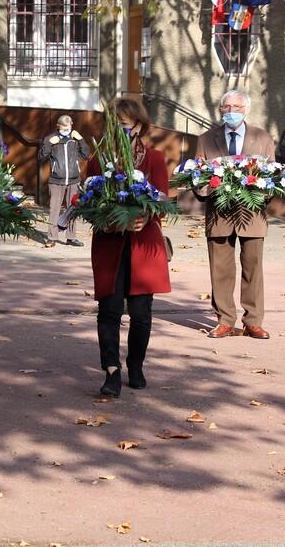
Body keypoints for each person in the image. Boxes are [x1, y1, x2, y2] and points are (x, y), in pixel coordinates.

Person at [89, 97, 171, 397]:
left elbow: (163, 203)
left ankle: (135, 364)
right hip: (110, 245)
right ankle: (111, 370)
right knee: (109, 310)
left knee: (141, 313)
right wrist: (113, 222)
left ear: (139, 125)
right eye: (117, 122)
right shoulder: (99, 160)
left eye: (128, 122)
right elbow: (90, 205)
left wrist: (142, 217)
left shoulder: (154, 159)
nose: (122, 127)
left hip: (143, 245)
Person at [195, 89, 276, 340]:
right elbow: (198, 177)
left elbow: (271, 178)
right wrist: (217, 186)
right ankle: (225, 321)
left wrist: (253, 188)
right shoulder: (206, 139)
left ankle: (253, 321)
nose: (231, 112)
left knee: (253, 269)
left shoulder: (262, 138)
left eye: (237, 107)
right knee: (221, 269)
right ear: (220, 110)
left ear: (246, 110)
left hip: (251, 214)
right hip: (219, 214)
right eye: (226, 107)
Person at [39, 114, 89, 247]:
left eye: (69, 126)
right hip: (56, 180)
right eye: (64, 127)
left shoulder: (75, 139)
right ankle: (51, 238)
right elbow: (41, 156)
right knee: (54, 209)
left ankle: (71, 237)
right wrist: (50, 144)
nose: (67, 129)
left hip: (74, 179)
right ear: (58, 126)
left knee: (73, 209)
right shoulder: (50, 138)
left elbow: (86, 154)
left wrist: (81, 139)